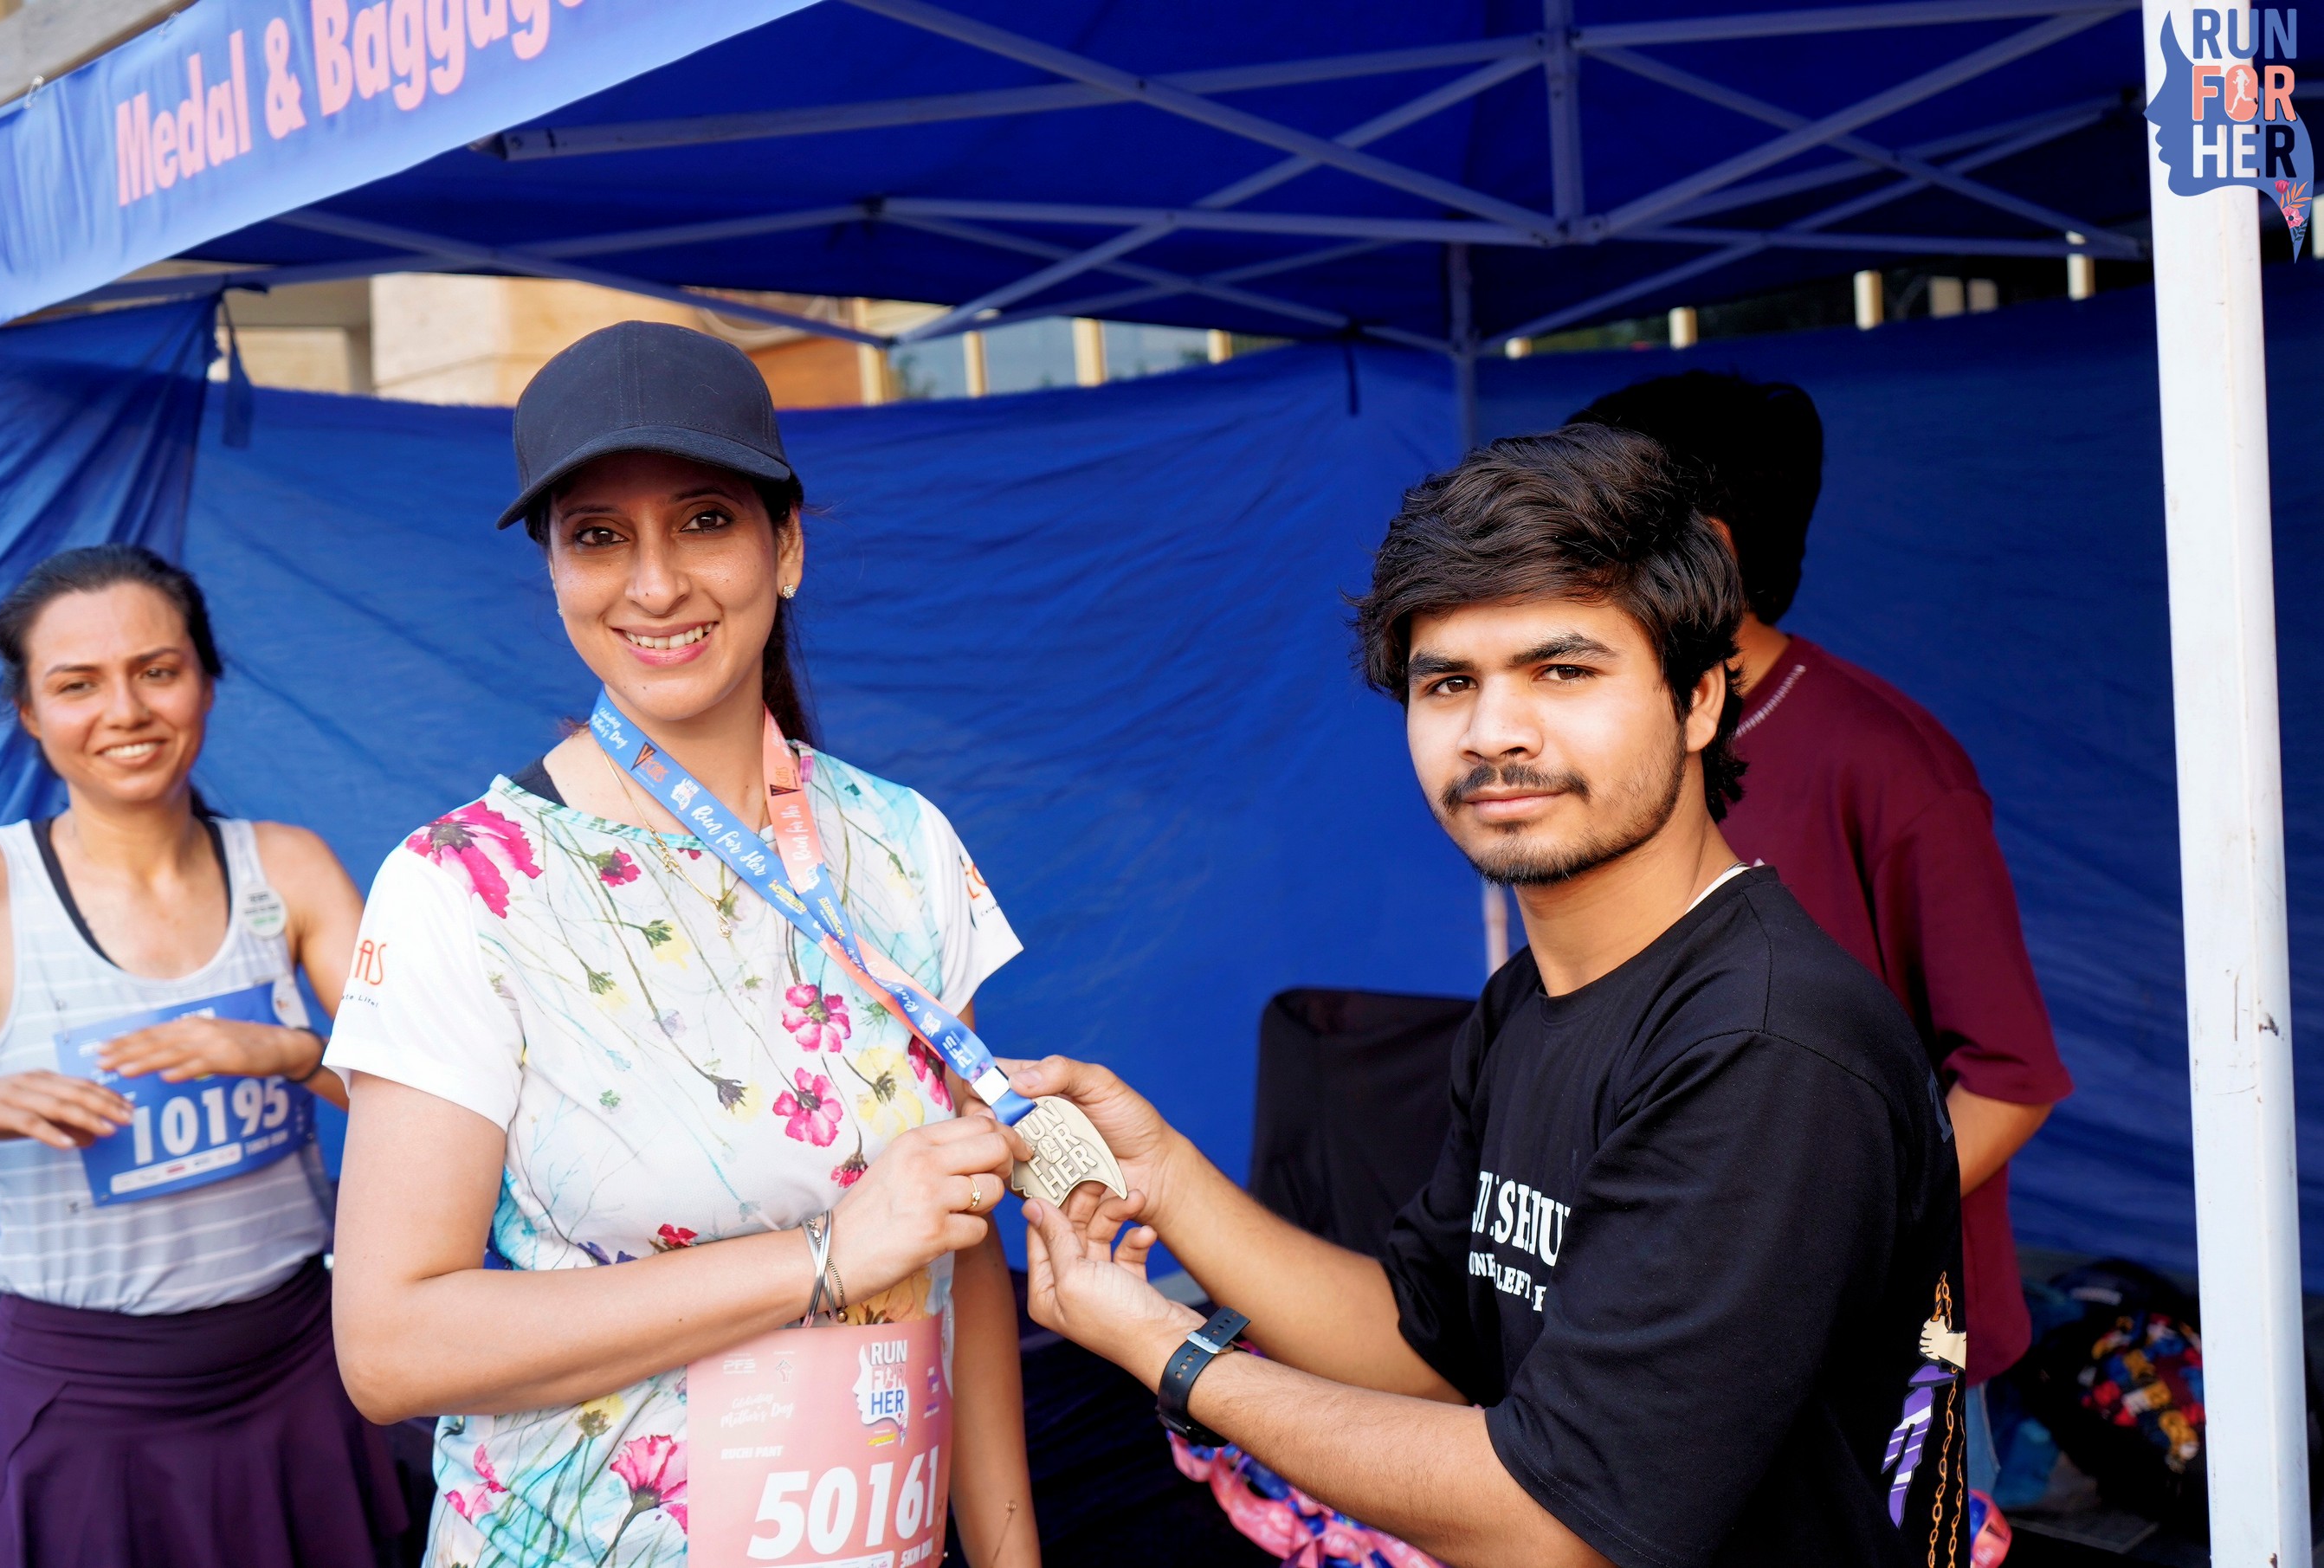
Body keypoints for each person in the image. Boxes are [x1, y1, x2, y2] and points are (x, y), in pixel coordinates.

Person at [1012, 426, 1967, 1567]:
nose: (1494, 732)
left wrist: (1172, 1353)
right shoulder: (1530, 998)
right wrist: (1165, 1176)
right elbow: (1422, 1342)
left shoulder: (1765, 1044)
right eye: (1449, 682)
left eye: (1563, 670)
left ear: (1700, 698)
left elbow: (1555, 1519)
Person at [326, 322, 1041, 1568]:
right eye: (599, 535)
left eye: (705, 520)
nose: (654, 585)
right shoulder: (463, 886)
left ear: (788, 546)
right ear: (555, 571)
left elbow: (958, 1237)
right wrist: (823, 1255)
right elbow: (390, 1348)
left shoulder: (903, 844)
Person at [1571, 370, 2072, 1497]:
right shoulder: (1599, 744)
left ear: (1705, 548)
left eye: (1588, 525)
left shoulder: (1889, 764)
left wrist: (1806, 1239)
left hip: (1878, 1355)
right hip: (1666, 1328)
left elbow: (2010, 1078)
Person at [0, 544, 403, 1565]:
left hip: (303, 1365)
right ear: (29, 712)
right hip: (84, 1397)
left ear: (206, 680)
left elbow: (416, 1089)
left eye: (157, 670)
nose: (125, 710)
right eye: (77, 684)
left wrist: (285, 1051)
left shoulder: (288, 865)